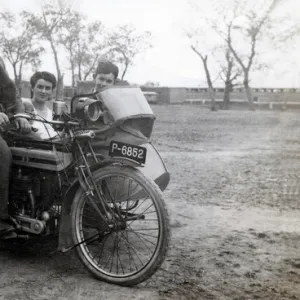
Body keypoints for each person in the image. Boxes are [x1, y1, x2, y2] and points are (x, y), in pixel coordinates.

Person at [0, 59, 31, 233]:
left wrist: (20, 115)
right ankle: (1, 216)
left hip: (6, 122)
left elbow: (13, 94)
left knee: (41, 142)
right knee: (2, 154)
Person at [23, 71, 58, 140]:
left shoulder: (51, 114)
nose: (43, 91)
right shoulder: (23, 104)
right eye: (40, 87)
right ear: (32, 88)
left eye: (47, 88)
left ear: (52, 91)